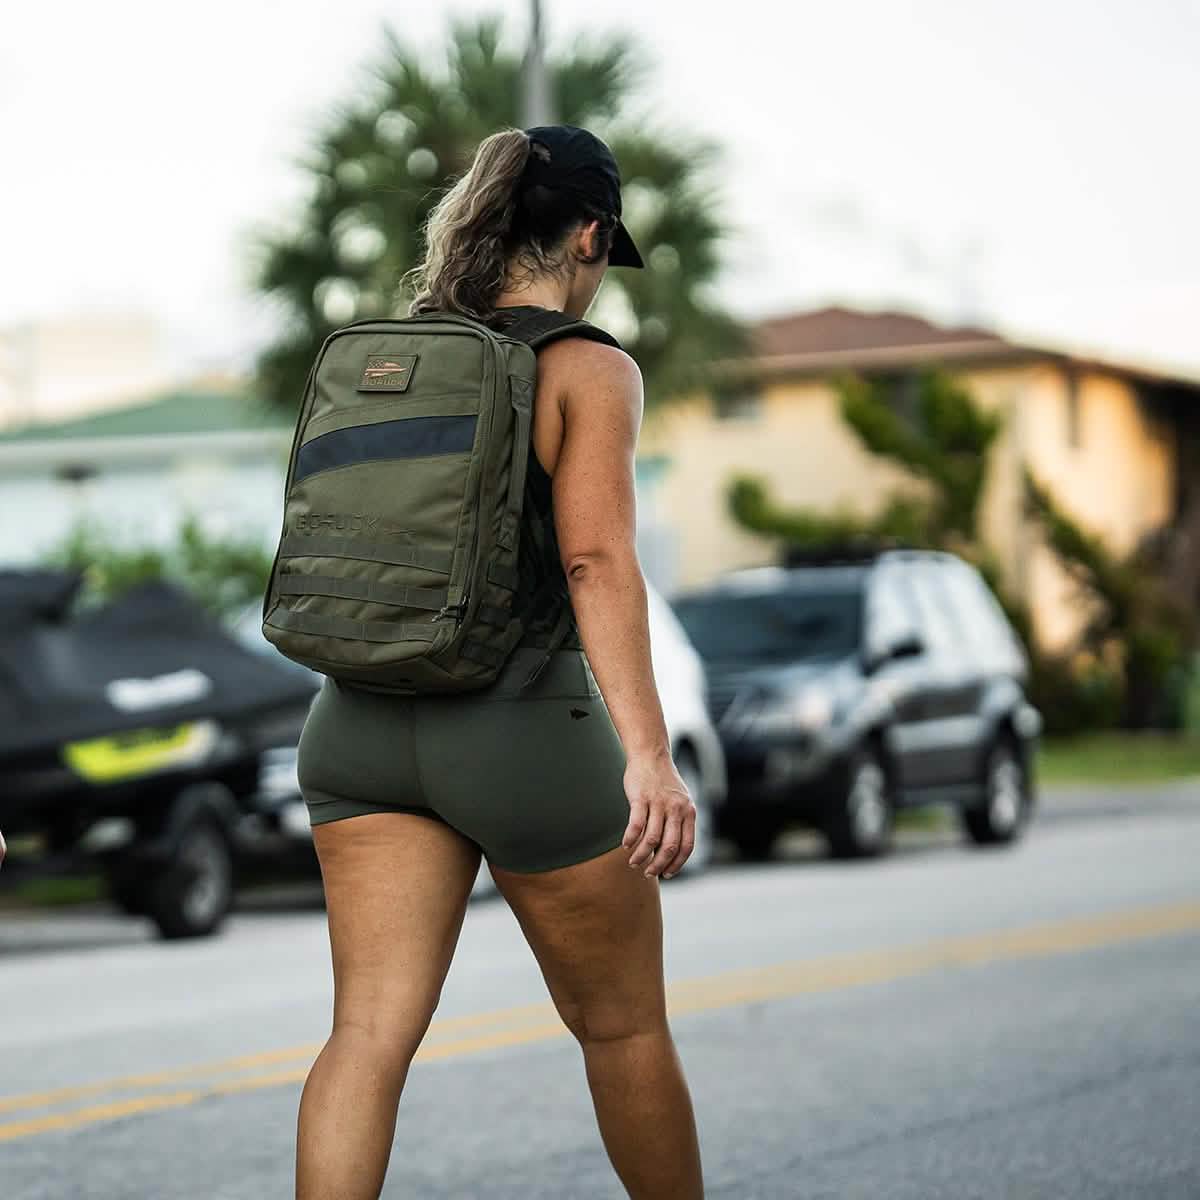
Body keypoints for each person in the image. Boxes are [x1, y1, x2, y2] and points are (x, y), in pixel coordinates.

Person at [293, 125, 704, 1199]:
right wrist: (650, 754)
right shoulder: (587, 367)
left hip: (356, 727)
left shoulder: (396, 359)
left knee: (365, 1035)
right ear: (589, 236)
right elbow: (595, 561)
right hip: (516, 727)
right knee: (621, 1027)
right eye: (604, 256)